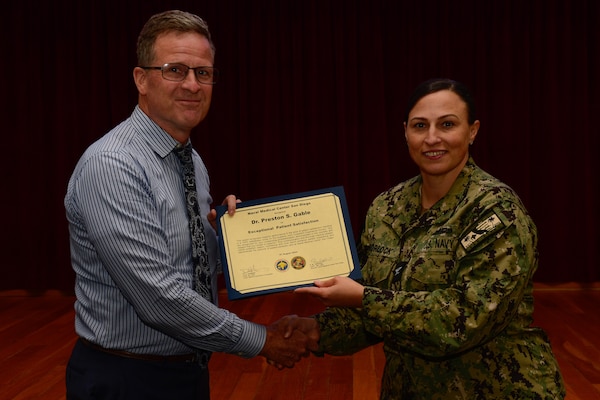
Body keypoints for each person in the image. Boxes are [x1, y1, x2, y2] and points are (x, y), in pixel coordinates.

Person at [64, 10, 318, 399]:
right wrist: (261, 339)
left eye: (203, 73)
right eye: (175, 70)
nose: (192, 85)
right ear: (141, 79)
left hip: (184, 372)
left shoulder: (189, 160)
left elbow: (189, 264)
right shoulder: (112, 164)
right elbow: (158, 298)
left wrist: (234, 232)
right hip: (126, 379)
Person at [295, 78, 566, 399]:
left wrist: (364, 298)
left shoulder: (497, 209)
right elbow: (369, 313)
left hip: (496, 389)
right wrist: (312, 332)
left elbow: (466, 319)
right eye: (420, 126)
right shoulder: (386, 207)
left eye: (447, 124)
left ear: (473, 131)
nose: (432, 138)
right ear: (405, 132)